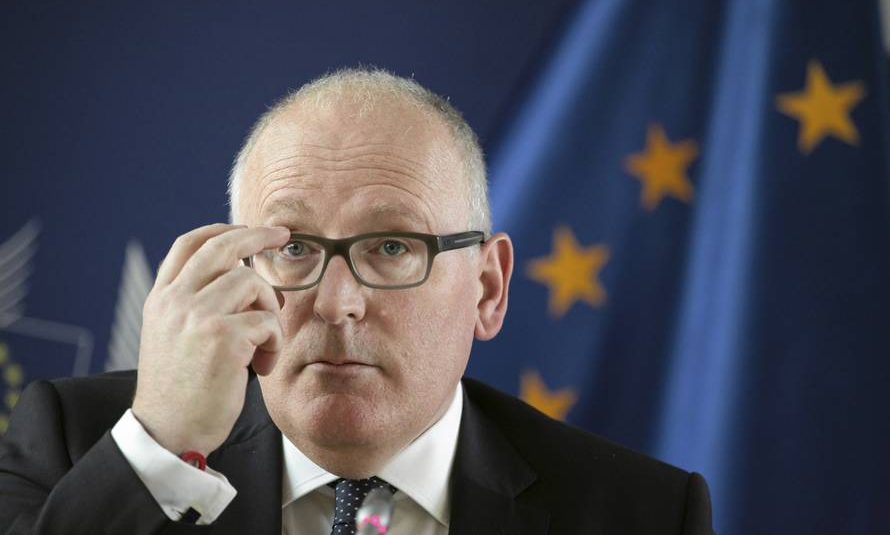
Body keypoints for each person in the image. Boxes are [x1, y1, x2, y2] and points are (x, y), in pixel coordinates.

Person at [0, 68, 715, 535]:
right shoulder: (75, 444)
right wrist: (157, 452)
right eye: (294, 248)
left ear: (488, 289)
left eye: (393, 247)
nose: (336, 303)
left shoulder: (644, 514)